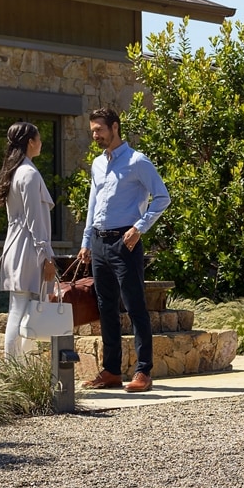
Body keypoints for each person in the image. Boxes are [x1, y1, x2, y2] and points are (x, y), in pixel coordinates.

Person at [77, 108, 170, 393]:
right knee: (106, 308)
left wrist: (139, 227)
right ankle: (111, 371)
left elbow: (162, 197)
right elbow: (93, 204)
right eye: (92, 130)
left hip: (125, 242)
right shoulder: (96, 164)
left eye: (99, 130)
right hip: (99, 242)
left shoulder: (137, 162)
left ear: (115, 127)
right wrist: (85, 241)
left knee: (134, 306)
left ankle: (143, 372)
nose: (95, 135)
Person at [0, 121, 58, 359]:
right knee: (20, 310)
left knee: (22, 310)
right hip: (28, 249)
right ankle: (15, 368)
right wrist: (47, 255)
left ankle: (22, 367)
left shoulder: (16, 171)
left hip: (18, 246)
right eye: (39, 139)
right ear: (31, 142)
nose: (41, 143)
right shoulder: (28, 173)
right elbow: (34, 220)